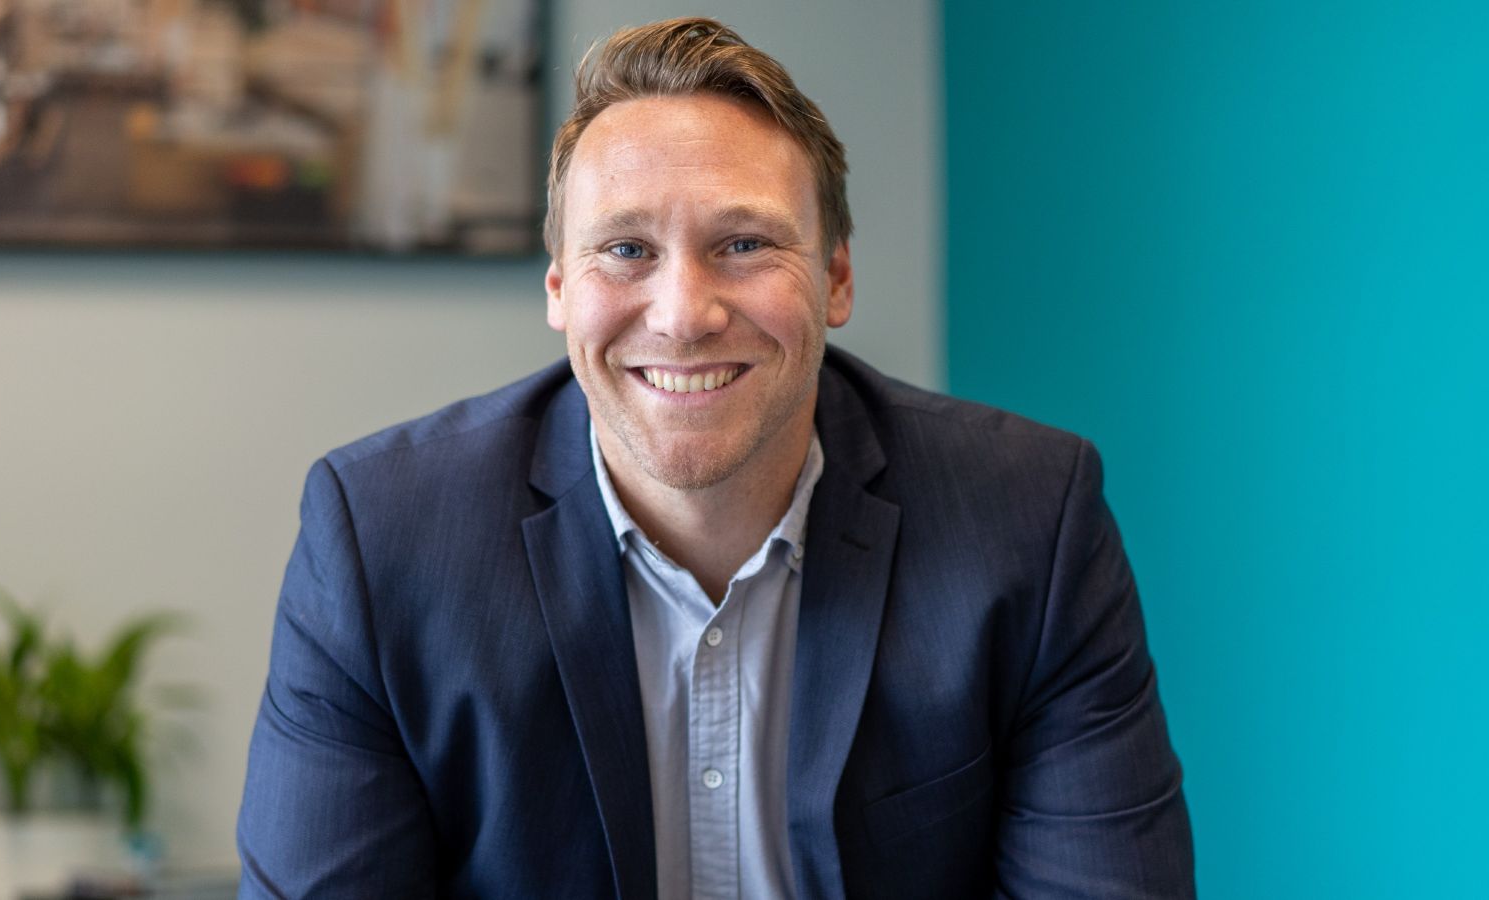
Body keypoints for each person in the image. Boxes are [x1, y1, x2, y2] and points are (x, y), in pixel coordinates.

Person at [236, 17, 1194, 899]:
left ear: (837, 278)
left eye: (743, 244)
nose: (685, 314)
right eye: (625, 250)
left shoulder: (1030, 520)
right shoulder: (382, 541)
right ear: (561, 289)